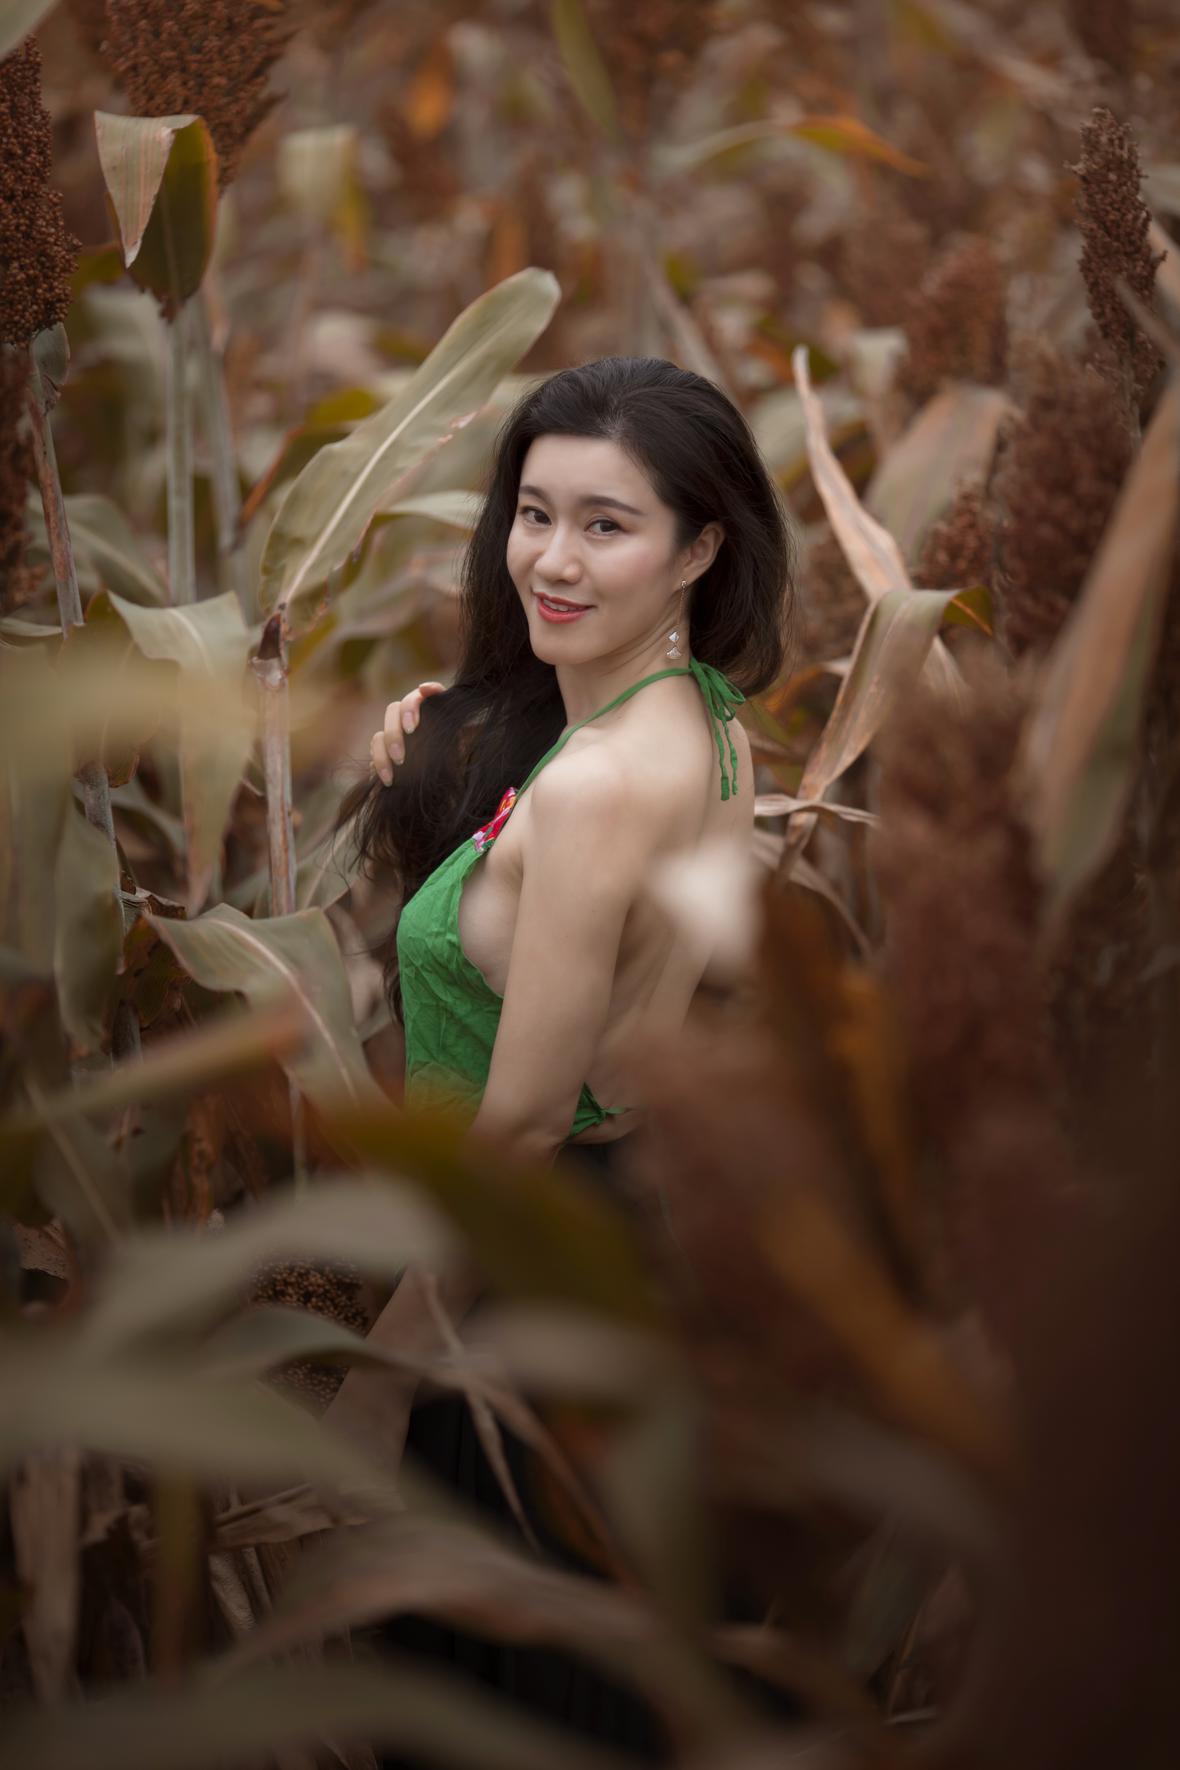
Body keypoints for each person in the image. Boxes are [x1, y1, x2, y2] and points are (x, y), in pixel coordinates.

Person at [339, 354, 796, 1760]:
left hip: (521, 1309)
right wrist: (456, 747)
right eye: (535, 514)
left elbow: (526, 1122)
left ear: (700, 547)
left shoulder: (594, 789)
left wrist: (376, 1386)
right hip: (645, 1266)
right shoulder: (714, 727)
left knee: (503, 1717)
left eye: (609, 525)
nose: (553, 558)